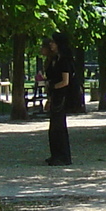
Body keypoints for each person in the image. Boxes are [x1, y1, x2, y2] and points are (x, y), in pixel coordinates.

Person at [43, 32, 74, 165]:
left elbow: (65, 81)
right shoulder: (56, 59)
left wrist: (53, 86)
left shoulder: (64, 60)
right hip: (56, 95)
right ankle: (55, 154)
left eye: (53, 42)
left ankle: (63, 156)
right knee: (54, 127)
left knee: (59, 126)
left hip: (61, 96)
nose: (51, 44)